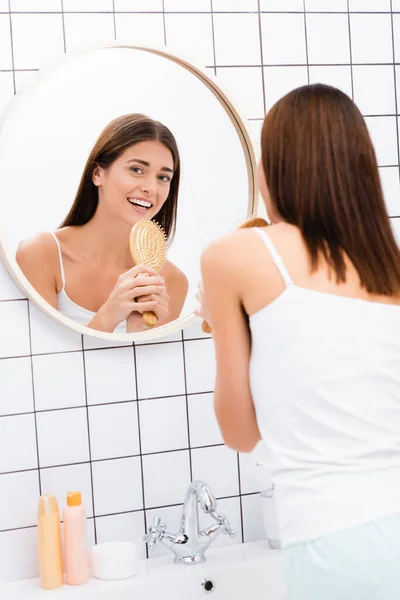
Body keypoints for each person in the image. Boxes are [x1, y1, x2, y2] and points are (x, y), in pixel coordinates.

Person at [196, 84, 400, 599]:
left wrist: (225, 328)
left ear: (276, 167)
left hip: (337, 536)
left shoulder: (237, 254)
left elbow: (241, 433)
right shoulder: (389, 263)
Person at [16, 114, 188, 333]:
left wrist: (138, 331)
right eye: (136, 170)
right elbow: (43, 361)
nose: (151, 188)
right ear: (98, 174)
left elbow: (146, 365)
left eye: (163, 177)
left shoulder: (172, 282)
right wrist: (109, 315)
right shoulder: (41, 255)